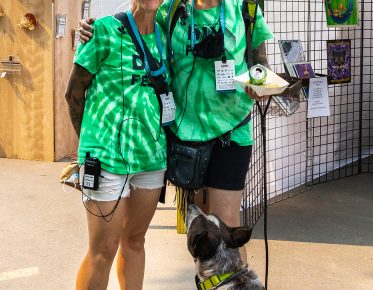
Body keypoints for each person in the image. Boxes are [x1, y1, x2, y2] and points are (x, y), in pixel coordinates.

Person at [79, 0, 274, 263]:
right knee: (201, 232)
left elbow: (262, 65)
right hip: (185, 139)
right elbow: (139, 28)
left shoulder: (245, 9)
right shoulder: (169, 9)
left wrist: (259, 83)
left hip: (232, 133)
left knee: (225, 228)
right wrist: (94, 29)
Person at [65, 0, 168, 289]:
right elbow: (73, 93)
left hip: (151, 159)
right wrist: (90, 147)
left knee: (135, 241)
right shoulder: (104, 30)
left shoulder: (165, 34)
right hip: (106, 160)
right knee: (103, 251)